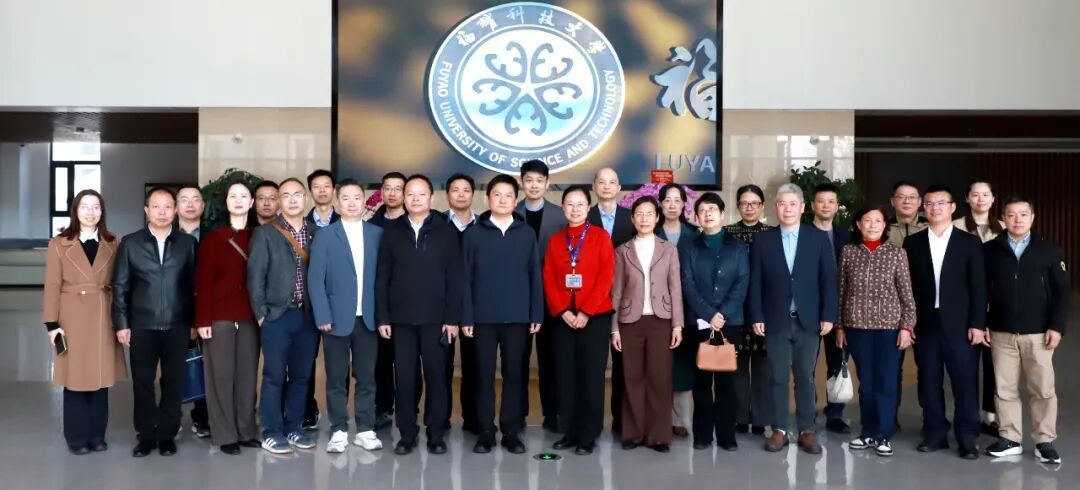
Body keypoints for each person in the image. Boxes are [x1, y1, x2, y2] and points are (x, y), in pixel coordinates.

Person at [375, 174, 463, 456]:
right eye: (410, 194)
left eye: (421, 194)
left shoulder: (446, 231)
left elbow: (455, 278)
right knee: (404, 379)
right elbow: (382, 277)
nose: (415, 199)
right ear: (404, 198)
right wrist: (383, 317)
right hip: (401, 320)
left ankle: (435, 433)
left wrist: (452, 318)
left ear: (431, 198)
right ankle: (407, 433)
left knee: (436, 378)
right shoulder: (391, 232)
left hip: (436, 320)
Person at [748, 183, 838, 455]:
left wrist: (828, 315)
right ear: (776, 208)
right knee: (777, 376)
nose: (787, 209)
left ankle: (807, 430)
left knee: (805, 377)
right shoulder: (763, 240)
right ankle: (779, 430)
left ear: (802, 207)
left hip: (808, 320)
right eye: (782, 204)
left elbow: (828, 281)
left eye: (792, 204)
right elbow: (755, 281)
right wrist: (756, 314)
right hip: (775, 319)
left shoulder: (817, 238)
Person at [113, 187, 198, 458]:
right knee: (143, 382)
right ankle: (146, 434)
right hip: (142, 324)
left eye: (167, 206)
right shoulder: (131, 243)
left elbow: (194, 287)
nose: (162, 212)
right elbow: (121, 286)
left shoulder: (187, 244)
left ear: (175, 211)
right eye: (156, 207)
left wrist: (194, 322)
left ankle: (167, 434)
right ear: (147, 210)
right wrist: (122, 323)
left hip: (177, 324)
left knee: (174, 381)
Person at [460, 174, 543, 454]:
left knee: (515, 375)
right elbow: (465, 279)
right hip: (482, 318)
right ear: (487, 199)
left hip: (518, 318)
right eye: (497, 194)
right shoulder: (473, 234)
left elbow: (534, 276)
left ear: (516, 200)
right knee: (483, 376)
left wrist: (536, 313)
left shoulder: (526, 233)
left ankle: (511, 431)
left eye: (509, 195)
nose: (503, 200)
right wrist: (466, 316)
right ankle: (485, 431)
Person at [903, 184, 986, 460]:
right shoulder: (912, 243)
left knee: (965, 382)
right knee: (928, 381)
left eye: (941, 203)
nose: (935, 208)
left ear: (952, 207)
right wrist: (908, 323)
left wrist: (978, 323)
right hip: (925, 324)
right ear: (923, 208)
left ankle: (967, 437)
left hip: (961, 325)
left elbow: (978, 287)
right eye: (929, 204)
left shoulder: (969, 242)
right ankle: (935, 432)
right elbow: (908, 288)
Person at [983, 196, 1068, 464]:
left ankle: (1044, 441)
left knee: (1042, 389)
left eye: (1023, 214)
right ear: (1003, 219)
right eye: (1011, 215)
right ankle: (1010, 438)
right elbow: (980, 291)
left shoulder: (1049, 251)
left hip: (1038, 333)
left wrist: (1056, 326)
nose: (1017, 219)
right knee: (1004, 389)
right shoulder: (989, 251)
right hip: (1001, 332)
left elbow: (1061, 293)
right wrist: (983, 322)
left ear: (1032, 217)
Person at [43, 190, 126, 455]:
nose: (90, 212)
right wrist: (51, 323)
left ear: (103, 211)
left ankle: (97, 435)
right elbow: (52, 285)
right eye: (85, 207)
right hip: (71, 317)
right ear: (75, 211)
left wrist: (122, 318)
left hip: (103, 313)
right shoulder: (59, 243)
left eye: (96, 207)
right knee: (75, 379)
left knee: (101, 379)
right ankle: (76, 437)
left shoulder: (113, 242)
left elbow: (120, 281)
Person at [308, 179, 385, 454]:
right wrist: (322, 314)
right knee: (336, 378)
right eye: (346, 199)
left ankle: (365, 429)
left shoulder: (377, 234)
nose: (352, 203)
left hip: (369, 318)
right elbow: (315, 280)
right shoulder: (325, 236)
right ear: (337, 203)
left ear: (364, 202)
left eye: (357, 198)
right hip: (335, 319)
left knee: (367, 377)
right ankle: (338, 429)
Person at [834, 206, 917, 458]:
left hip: (888, 329)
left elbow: (906, 294)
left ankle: (883, 434)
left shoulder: (897, 254)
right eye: (867, 220)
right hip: (856, 328)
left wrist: (906, 326)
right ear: (858, 224)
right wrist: (840, 326)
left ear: (884, 226)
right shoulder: (849, 252)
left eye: (878, 221)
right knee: (866, 383)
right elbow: (841, 291)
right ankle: (867, 432)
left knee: (886, 382)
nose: (872, 225)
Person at [247, 178, 320, 454]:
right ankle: (271, 431)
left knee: (302, 376)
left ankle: (294, 427)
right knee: (274, 375)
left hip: (308, 316)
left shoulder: (316, 233)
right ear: (279, 200)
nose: (292, 200)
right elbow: (255, 278)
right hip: (277, 315)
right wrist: (261, 315)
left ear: (306, 199)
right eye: (286, 195)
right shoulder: (266, 233)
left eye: (297, 194)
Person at [544, 185, 615, 456]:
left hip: (594, 318)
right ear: (563, 208)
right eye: (570, 204)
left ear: (588, 207)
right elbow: (549, 278)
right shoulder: (555, 240)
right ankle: (570, 431)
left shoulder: (600, 237)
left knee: (591, 376)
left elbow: (606, 277)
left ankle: (588, 433)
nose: (575, 209)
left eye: (580, 204)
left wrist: (586, 312)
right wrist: (563, 311)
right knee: (565, 376)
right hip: (563, 318)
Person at [611, 196, 684, 452]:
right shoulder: (622, 251)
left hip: (660, 321)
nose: (644, 218)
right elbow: (616, 292)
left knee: (659, 379)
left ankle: (658, 436)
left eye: (649, 214)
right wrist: (614, 327)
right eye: (639, 214)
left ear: (657, 218)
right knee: (632, 377)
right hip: (629, 321)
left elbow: (676, 289)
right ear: (632, 219)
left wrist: (677, 325)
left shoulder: (669, 249)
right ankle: (633, 434)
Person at [193, 182, 260, 455]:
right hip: (219, 318)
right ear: (227, 202)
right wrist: (203, 321)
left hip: (250, 316)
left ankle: (246, 431)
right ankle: (225, 434)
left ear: (252, 202)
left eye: (244, 196)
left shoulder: (260, 236)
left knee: (247, 377)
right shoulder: (213, 239)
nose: (239, 200)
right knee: (220, 377)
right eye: (233, 196)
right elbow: (203, 283)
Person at [679, 193, 749, 452]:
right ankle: (702, 435)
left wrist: (722, 314)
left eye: (713, 209)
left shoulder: (738, 247)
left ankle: (727, 435)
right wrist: (709, 314)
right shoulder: (688, 246)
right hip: (699, 323)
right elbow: (688, 284)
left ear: (722, 214)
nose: (708, 214)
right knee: (701, 381)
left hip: (730, 324)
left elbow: (742, 282)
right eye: (703, 210)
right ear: (697, 217)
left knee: (727, 382)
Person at [515, 159, 568, 433]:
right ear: (521, 182)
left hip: (551, 299)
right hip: (518, 299)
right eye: (529, 180)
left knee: (551, 360)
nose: (534, 185)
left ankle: (553, 414)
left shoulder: (561, 216)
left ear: (547, 183)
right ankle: (518, 415)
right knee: (517, 360)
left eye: (539, 180)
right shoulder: (510, 212)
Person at [953, 180, 1005, 435]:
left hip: (997, 303)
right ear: (967, 198)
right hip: (966, 304)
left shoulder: (1004, 227)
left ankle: (991, 416)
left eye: (986, 194)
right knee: (967, 365)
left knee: (995, 365)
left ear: (993, 199)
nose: (981, 199)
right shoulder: (955, 226)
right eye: (975, 194)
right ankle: (968, 418)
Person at [723, 184, 773, 436]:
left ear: (762, 206)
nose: (749, 208)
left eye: (754, 203)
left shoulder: (772, 234)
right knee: (737, 365)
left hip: (765, 308)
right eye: (744, 203)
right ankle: (739, 417)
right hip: (735, 309)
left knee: (764, 366)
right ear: (738, 206)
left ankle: (761, 418)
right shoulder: (727, 233)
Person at [586, 167, 632, 433]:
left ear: (619, 187)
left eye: (611, 182)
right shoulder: (584, 215)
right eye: (601, 182)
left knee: (623, 365)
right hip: (591, 302)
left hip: (625, 300)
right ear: (594, 186)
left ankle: (621, 421)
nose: (606, 186)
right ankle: (590, 422)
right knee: (592, 366)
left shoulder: (632, 217)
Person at [655, 183, 699, 439]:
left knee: (683, 364)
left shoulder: (694, 234)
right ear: (660, 204)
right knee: (659, 364)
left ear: (684, 204)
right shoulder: (650, 231)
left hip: (688, 308)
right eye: (667, 200)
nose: (672, 205)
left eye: (677, 200)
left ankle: (681, 419)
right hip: (657, 308)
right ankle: (660, 418)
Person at [810, 183, 852, 434]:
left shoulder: (847, 236)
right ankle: (808, 412)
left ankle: (835, 414)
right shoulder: (802, 234)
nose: (826, 206)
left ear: (837, 206)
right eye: (821, 201)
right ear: (812, 205)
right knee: (806, 366)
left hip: (840, 311)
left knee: (838, 363)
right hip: (810, 310)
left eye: (831, 201)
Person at [368, 171, 407, 431]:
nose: (392, 193)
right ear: (381, 191)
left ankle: (408, 409)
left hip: (407, 302)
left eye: (398, 188)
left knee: (406, 361)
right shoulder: (372, 224)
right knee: (380, 361)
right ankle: (382, 408)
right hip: (378, 302)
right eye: (387, 188)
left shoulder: (415, 222)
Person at [885, 180, 927, 422]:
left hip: (924, 303)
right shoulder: (883, 228)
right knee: (891, 367)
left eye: (912, 197)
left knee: (927, 366)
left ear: (920, 202)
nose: (907, 201)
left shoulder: (930, 227)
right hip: (891, 306)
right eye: (901, 197)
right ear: (893, 201)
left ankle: (929, 420)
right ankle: (890, 418)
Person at [176, 184, 212, 439]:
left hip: (207, 312)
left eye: (195, 199)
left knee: (206, 365)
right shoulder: (165, 235)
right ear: (176, 206)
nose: (190, 205)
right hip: (173, 313)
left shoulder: (214, 236)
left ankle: (203, 418)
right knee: (172, 367)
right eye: (184, 200)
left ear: (203, 205)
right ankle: (172, 416)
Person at [444, 173, 479, 434]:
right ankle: (441, 418)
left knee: (474, 364)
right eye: (455, 190)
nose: (460, 194)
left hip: (475, 306)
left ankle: (472, 418)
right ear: (447, 194)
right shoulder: (436, 223)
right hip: (442, 305)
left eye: (466, 190)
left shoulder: (484, 224)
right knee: (441, 366)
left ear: (473, 195)